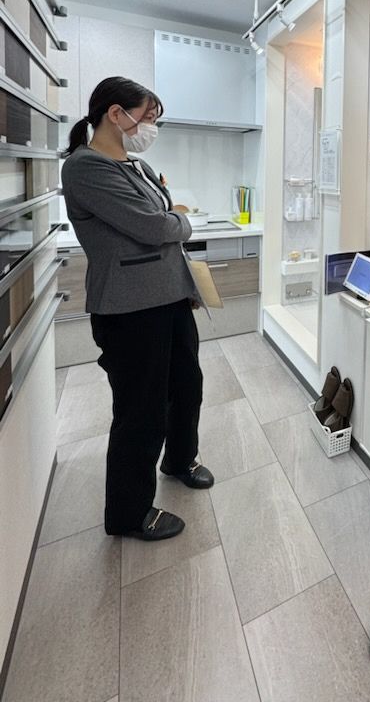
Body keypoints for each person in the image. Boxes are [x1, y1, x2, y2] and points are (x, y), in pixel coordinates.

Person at [61, 77, 214, 542]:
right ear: (116, 114)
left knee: (187, 385)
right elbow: (154, 226)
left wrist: (173, 229)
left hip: (170, 298)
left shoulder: (137, 165)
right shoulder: (86, 168)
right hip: (130, 310)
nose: (152, 126)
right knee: (140, 410)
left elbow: (162, 219)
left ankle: (180, 459)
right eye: (148, 116)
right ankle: (128, 513)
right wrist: (180, 220)